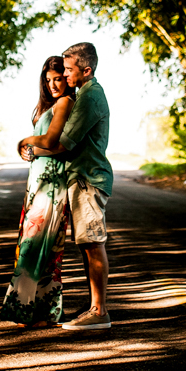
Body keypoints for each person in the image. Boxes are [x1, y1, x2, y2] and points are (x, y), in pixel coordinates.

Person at [17, 41, 112, 330]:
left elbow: (61, 143)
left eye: (68, 70)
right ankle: (95, 307)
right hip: (80, 178)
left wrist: (27, 144)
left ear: (86, 70)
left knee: (93, 244)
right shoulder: (85, 93)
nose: (65, 76)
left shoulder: (89, 97)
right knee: (87, 244)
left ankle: (99, 312)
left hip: (88, 179)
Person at [0, 56, 76, 326]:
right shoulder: (48, 105)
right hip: (37, 183)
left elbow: (52, 140)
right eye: (48, 80)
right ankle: (41, 312)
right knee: (31, 245)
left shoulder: (66, 102)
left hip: (52, 184)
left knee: (38, 247)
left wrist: (25, 141)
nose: (54, 84)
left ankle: (29, 311)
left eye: (58, 78)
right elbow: (48, 147)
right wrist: (33, 152)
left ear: (66, 78)